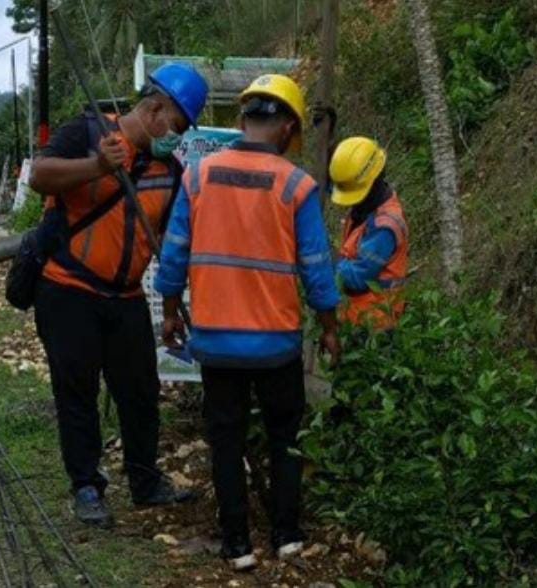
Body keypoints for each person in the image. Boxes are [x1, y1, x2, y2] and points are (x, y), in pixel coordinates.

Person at [154, 74, 341, 571]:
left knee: (226, 440)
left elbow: (173, 254)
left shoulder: (198, 177)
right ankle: (287, 533)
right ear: (285, 128)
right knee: (284, 436)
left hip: (215, 342)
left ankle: (237, 543)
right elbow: (317, 266)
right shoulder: (297, 185)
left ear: (242, 121)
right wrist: (329, 326)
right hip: (275, 344)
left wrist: (171, 312)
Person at [28, 62, 209, 527]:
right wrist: (97, 165)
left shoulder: (169, 170)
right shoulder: (88, 133)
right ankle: (87, 486)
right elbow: (40, 176)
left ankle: (145, 481)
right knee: (77, 394)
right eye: (179, 125)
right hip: (68, 292)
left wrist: (171, 309)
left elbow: (171, 243)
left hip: (126, 298)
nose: (179, 136)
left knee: (140, 392)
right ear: (154, 109)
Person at [329, 136, 408, 329]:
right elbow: (335, 185)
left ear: (374, 181)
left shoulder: (384, 227)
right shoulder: (365, 208)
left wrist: (327, 258)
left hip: (374, 326)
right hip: (353, 317)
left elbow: (358, 278)